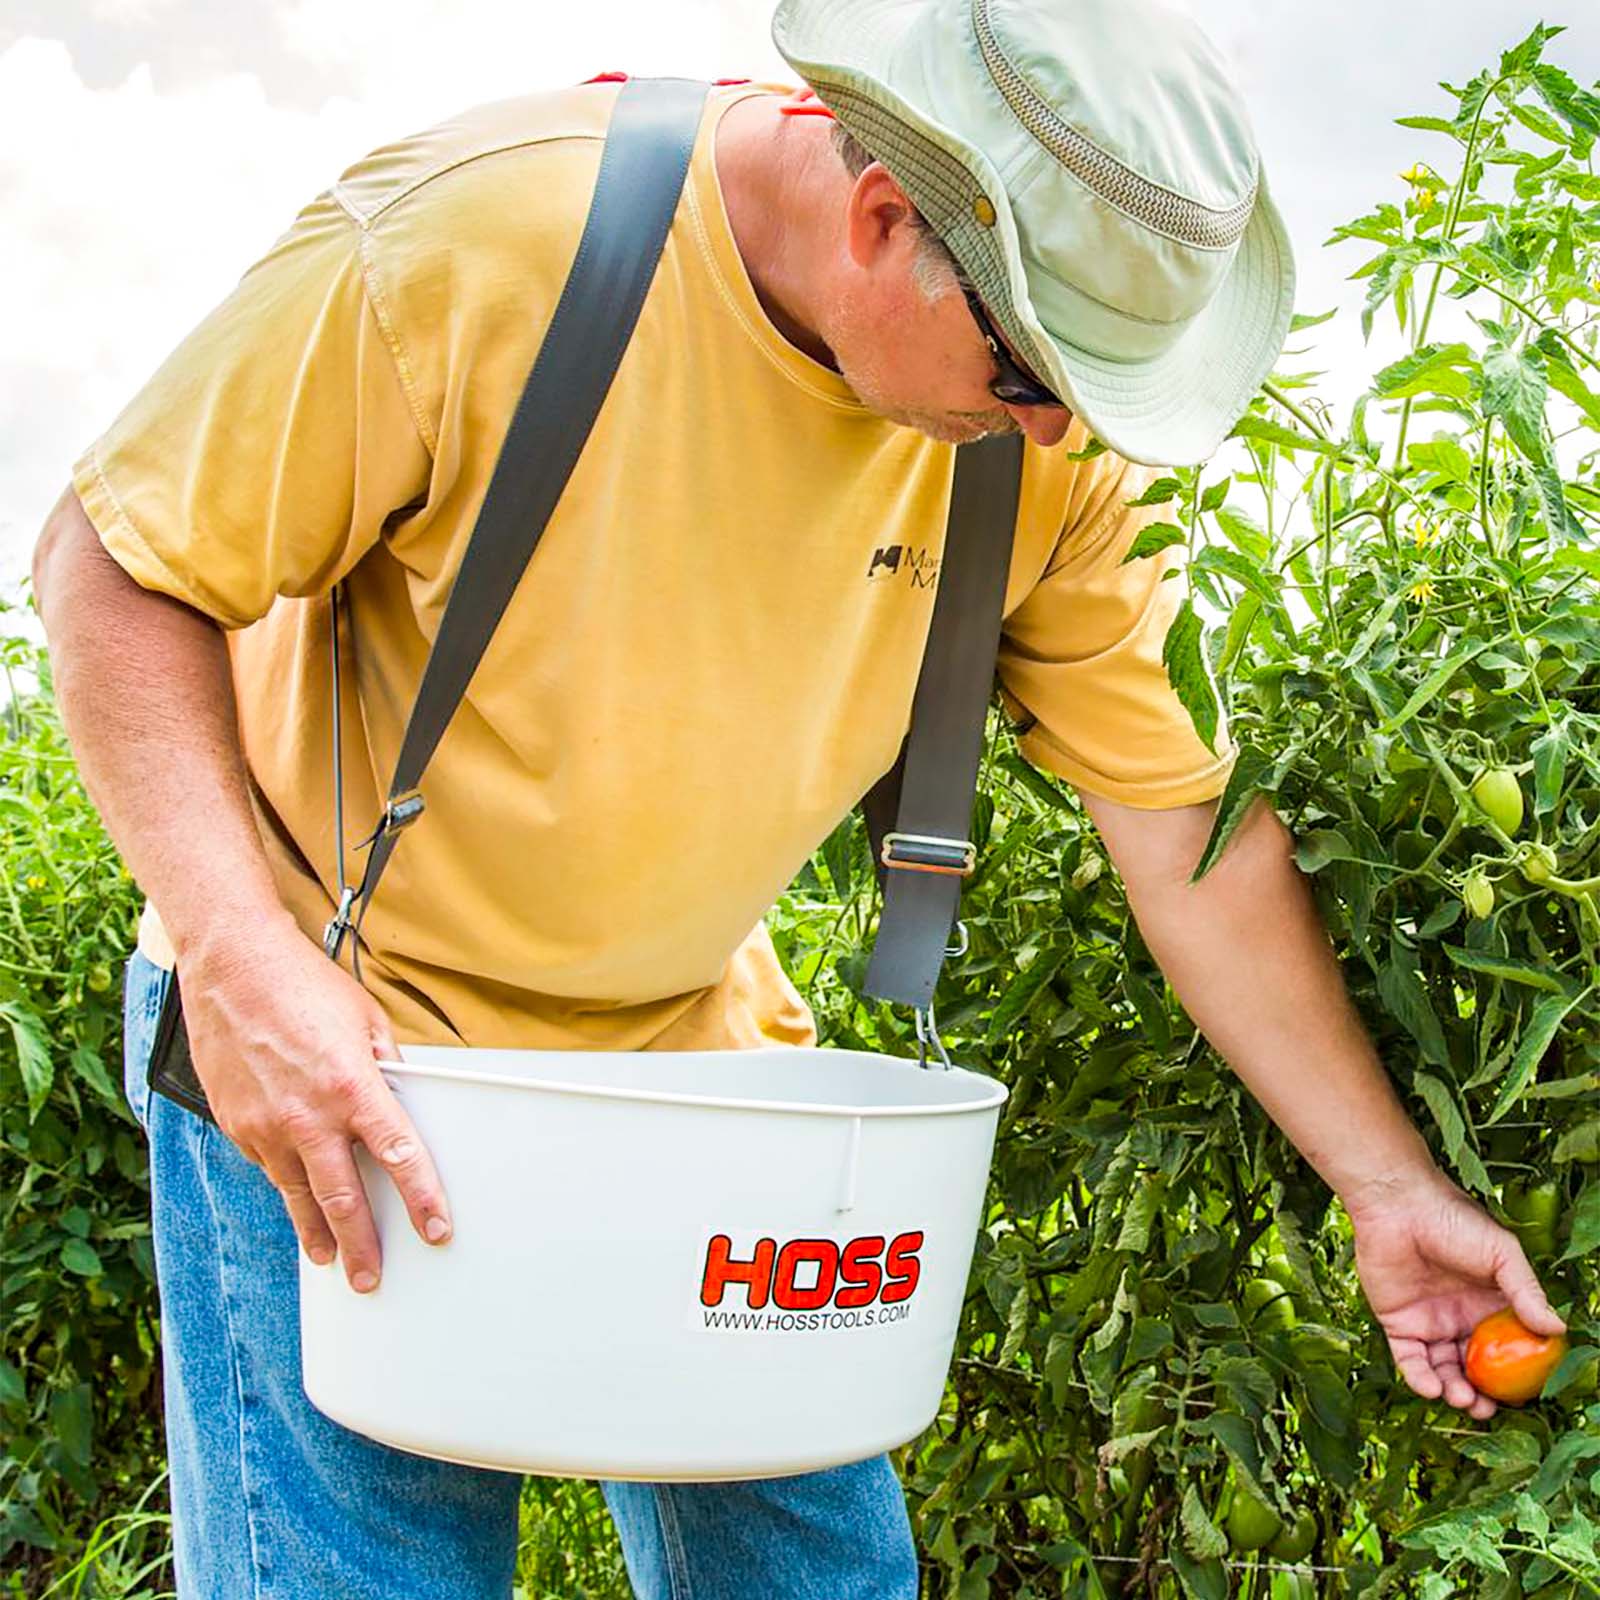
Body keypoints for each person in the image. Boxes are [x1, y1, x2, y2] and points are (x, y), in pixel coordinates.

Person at [32, 0, 1567, 1595]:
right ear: (885, 216)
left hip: (684, 1060)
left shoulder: (1039, 450)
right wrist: (236, 959)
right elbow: (111, 568)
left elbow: (1184, 824)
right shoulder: (475, 245)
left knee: (816, 1575)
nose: (1057, 430)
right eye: (1037, 364)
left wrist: (1390, 1188)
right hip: (339, 1046)